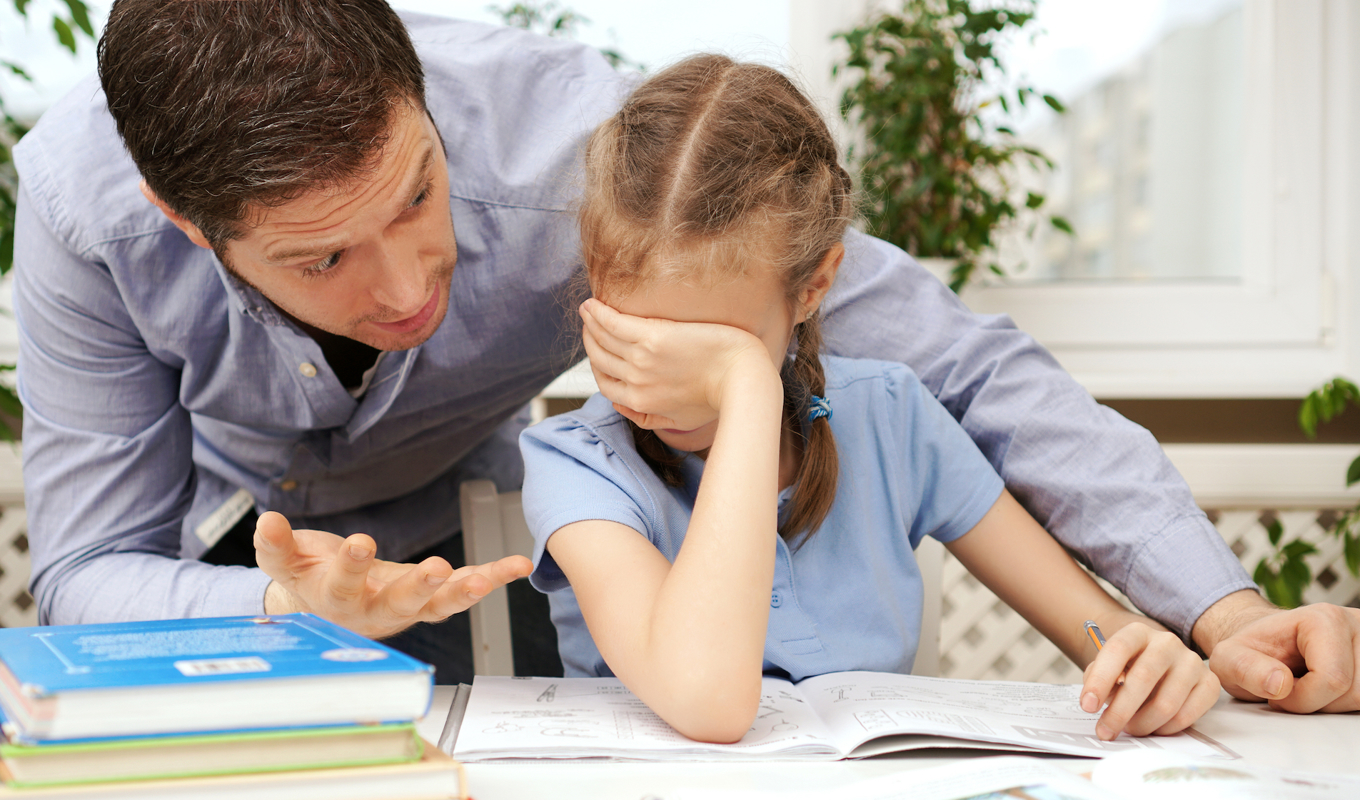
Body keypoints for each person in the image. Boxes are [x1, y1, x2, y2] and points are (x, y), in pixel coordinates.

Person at [10, 1, 1357, 705]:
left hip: (477, 530)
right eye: (322, 261)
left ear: (420, 95)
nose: (412, 284)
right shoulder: (85, 212)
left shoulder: (584, 157)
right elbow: (83, 572)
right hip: (240, 558)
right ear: (187, 226)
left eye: (422, 196)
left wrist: (1223, 615)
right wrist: (279, 607)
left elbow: (965, 369)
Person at [519, 55, 1220, 743]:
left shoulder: (892, 417)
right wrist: (748, 380)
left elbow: (1097, 627)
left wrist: (1146, 658)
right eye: (639, 335)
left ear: (814, 287)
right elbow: (709, 701)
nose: (662, 380)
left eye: (714, 345)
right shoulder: (576, 464)